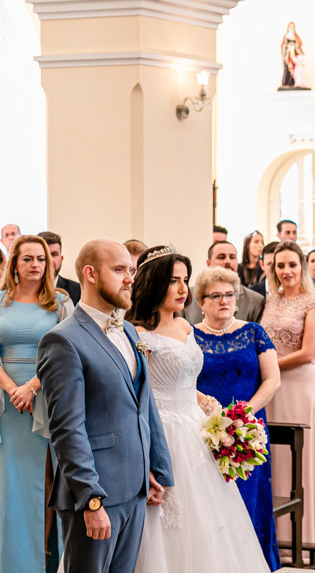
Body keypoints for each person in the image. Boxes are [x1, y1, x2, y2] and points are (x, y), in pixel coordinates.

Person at [126, 245, 269, 573]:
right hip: (163, 432)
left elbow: (185, 382)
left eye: (185, 280)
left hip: (196, 430)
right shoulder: (139, 333)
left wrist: (206, 403)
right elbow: (138, 394)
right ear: (152, 283)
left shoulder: (185, 327)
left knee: (212, 523)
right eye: (172, 280)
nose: (181, 289)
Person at [36, 239, 173, 573]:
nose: (130, 278)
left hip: (135, 487)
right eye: (119, 270)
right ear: (90, 274)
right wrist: (90, 498)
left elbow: (144, 404)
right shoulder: (63, 340)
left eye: (131, 270)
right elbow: (67, 429)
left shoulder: (127, 329)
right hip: (96, 494)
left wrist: (156, 467)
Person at [191, 266, 282, 570]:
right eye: (215, 296)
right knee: (209, 501)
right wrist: (207, 410)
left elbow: (272, 380)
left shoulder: (254, 332)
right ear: (201, 302)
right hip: (203, 429)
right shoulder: (190, 335)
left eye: (230, 295)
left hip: (248, 428)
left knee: (248, 496)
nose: (224, 301)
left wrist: (244, 415)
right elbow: (181, 382)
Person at [260, 241, 315, 563]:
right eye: (280, 265)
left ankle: (309, 536)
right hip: (273, 386)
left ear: (302, 266)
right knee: (276, 454)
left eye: (292, 264)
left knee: (302, 456)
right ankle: (277, 536)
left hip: (301, 383)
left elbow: (309, 352)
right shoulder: (271, 300)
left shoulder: (314, 301)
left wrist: (267, 367)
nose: (286, 271)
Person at [0, 235, 73, 571]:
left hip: (47, 396)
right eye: (27, 259)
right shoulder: (0, 300)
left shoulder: (59, 302)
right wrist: (12, 388)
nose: (35, 265)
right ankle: (15, 561)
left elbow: (67, 353)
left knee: (48, 480)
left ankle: (46, 556)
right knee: (12, 481)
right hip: (7, 403)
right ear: (14, 262)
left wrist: (30, 386)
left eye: (41, 259)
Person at [183, 241, 266, 324]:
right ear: (208, 263)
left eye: (232, 257)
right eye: (221, 257)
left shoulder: (255, 300)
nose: (228, 261)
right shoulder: (187, 296)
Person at [39, 231, 81, 306]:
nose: (50, 260)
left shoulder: (78, 291)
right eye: (45, 254)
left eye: (54, 254)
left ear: (61, 259)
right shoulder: (24, 291)